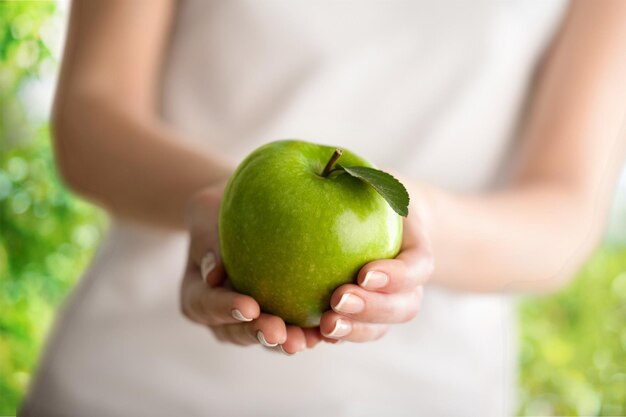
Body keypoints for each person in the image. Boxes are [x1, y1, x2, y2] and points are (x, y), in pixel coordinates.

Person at [20, 1, 626, 416]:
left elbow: (567, 215)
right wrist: (227, 205)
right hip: (131, 382)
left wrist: (421, 228)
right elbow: (90, 117)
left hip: (420, 396)